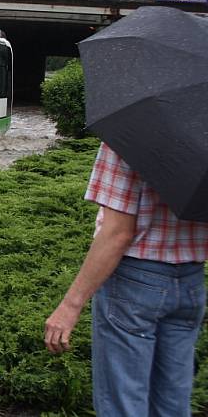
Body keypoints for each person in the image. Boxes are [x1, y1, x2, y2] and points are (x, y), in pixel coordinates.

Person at [44, 142, 208, 416]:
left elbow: (118, 233)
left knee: (123, 406)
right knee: (173, 405)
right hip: (191, 283)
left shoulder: (130, 135)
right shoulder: (201, 133)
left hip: (134, 286)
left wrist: (70, 307)